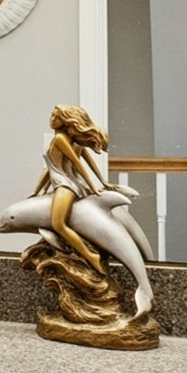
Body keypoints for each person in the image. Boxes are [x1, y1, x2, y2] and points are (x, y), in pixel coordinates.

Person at [32, 105, 131, 273]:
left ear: (65, 120)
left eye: (55, 117)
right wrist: (36, 192)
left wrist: (95, 186)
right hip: (62, 184)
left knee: (58, 224)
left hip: (65, 186)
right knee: (59, 224)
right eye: (51, 115)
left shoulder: (60, 140)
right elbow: (49, 169)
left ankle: (90, 256)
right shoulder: (72, 141)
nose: (51, 119)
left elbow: (78, 164)